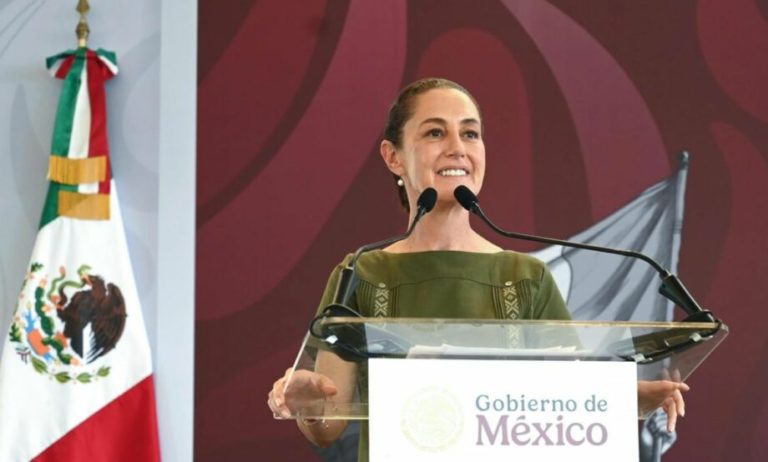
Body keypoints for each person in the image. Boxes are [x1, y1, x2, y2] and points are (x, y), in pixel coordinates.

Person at [267, 78, 688, 461]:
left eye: (470, 133)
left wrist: (625, 400)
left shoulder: (527, 277)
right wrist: (310, 404)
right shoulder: (360, 272)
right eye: (435, 132)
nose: (458, 147)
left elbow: (566, 402)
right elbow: (328, 428)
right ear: (393, 157)